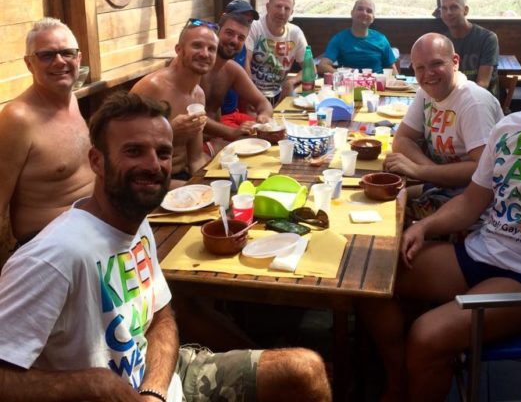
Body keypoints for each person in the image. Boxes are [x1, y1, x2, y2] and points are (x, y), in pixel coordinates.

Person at [0, 91, 332, 402]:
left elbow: (161, 318)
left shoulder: (137, 221)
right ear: (97, 161)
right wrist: (89, 384)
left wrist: (154, 391)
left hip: (163, 377)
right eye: (133, 151)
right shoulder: (52, 258)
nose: (153, 165)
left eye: (162, 153)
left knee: (306, 370)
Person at [360, 20, 521, 402]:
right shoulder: (509, 128)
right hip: (482, 251)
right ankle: (398, 381)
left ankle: (419, 370)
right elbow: (473, 201)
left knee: (427, 334)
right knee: (367, 283)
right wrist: (426, 227)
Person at [384, 33, 503, 218]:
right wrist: (432, 173)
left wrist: (419, 171)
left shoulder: (474, 103)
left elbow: (483, 167)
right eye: (420, 67)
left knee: (391, 218)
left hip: (478, 206)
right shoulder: (427, 91)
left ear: (455, 61)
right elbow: (402, 139)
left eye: (436, 64)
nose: (428, 74)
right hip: (443, 189)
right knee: (381, 199)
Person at [0, 17, 94, 251]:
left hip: (95, 231)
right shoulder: (18, 118)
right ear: (29, 64)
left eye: (67, 53)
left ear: (79, 58)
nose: (60, 61)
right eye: (46, 55)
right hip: (48, 247)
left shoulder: (71, 98)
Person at [131, 19, 215, 186]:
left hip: (179, 176)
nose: (205, 53)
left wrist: (205, 183)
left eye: (211, 49)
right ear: (179, 50)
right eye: (197, 46)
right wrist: (170, 132)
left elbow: (196, 158)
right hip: (144, 180)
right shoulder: (152, 87)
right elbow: (123, 145)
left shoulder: (198, 95)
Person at [202, 13, 273, 141]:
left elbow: (263, 102)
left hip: (217, 138)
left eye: (241, 38)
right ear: (216, 32)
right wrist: (231, 132)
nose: (234, 40)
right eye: (229, 33)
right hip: (195, 143)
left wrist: (264, 117)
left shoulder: (232, 69)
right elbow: (192, 115)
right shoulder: (198, 65)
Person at [245, 0, 307, 100]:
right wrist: (252, 97)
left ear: (292, 13)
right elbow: (245, 63)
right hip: (251, 93)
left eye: (287, 8)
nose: (282, 12)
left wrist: (291, 81)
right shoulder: (254, 27)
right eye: (278, 6)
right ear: (268, 7)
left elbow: (310, 68)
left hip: (278, 94)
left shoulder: (295, 33)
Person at [438, 0, 499, 96]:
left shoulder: (487, 38)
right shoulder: (441, 42)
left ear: (465, 10)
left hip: (481, 102)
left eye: (454, 7)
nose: (448, 13)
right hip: (451, 103)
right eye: (444, 8)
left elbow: (483, 84)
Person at [318, 0, 397, 74]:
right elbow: (323, 65)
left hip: (377, 85)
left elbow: (393, 70)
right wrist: (343, 75)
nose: (364, 13)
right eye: (360, 9)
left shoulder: (381, 39)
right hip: (350, 85)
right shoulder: (339, 39)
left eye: (369, 11)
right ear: (352, 13)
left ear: (373, 18)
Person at [219, 0, 259, 119]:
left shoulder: (241, 47)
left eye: (249, 21)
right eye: (239, 17)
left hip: (235, 113)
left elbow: (247, 79)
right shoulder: (211, 48)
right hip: (218, 118)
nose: (243, 22)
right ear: (224, 18)